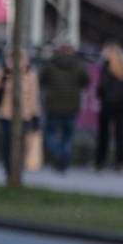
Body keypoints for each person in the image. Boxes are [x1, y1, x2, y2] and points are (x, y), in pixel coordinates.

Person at [39, 40, 88, 174]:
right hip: (72, 105)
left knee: (50, 133)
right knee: (68, 136)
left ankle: (57, 153)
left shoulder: (50, 64)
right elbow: (86, 81)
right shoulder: (79, 65)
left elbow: (41, 80)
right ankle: (64, 164)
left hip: (53, 105)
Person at [94, 41, 123, 171]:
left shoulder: (107, 66)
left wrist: (101, 96)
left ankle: (100, 162)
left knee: (104, 134)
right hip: (122, 103)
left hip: (108, 103)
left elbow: (102, 86)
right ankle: (121, 162)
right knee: (121, 134)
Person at [0, 49, 40, 170]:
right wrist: (3, 73)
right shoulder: (5, 72)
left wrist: (35, 115)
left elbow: (33, 97)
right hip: (6, 114)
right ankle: (8, 166)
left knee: (20, 142)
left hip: (24, 115)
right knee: (7, 141)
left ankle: (17, 166)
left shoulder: (30, 74)